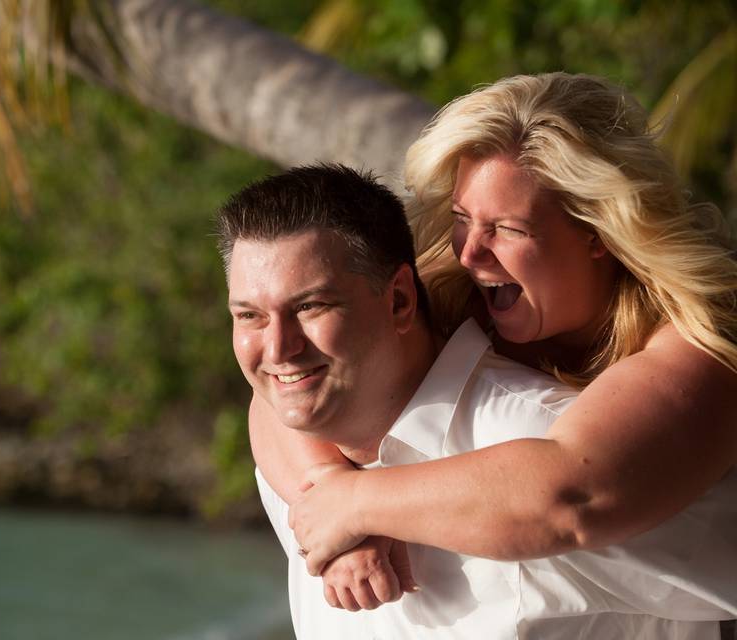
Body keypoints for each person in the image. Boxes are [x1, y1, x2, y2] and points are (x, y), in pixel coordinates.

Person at [254, 73, 737, 598]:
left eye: (509, 229)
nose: (470, 253)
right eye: (463, 218)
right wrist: (326, 494)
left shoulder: (700, 342)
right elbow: (282, 382)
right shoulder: (452, 289)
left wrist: (356, 503)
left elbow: (571, 497)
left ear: (597, 230)